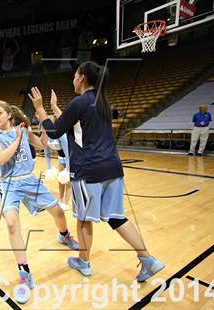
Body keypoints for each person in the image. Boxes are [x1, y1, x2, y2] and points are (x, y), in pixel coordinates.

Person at [29, 61, 164, 281]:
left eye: (74, 75)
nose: (73, 79)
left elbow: (53, 131)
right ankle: (148, 259)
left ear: (81, 77)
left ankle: (84, 262)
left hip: (89, 171)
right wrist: (54, 108)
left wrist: (40, 108)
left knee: (83, 219)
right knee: (116, 217)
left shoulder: (80, 102)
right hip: (113, 168)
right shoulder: (102, 102)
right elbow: (73, 122)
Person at [0, 100, 78, 304]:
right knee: (11, 224)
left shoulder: (23, 129)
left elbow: (42, 144)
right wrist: (18, 139)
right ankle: (24, 270)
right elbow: (1, 159)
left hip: (28, 180)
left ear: (9, 115)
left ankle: (64, 235)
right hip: (8, 184)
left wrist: (42, 127)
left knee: (58, 212)